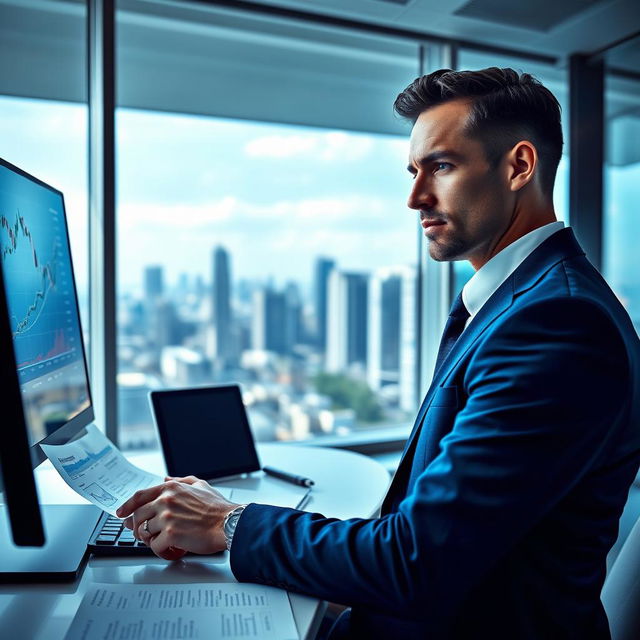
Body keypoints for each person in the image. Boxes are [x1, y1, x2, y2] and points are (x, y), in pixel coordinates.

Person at [118, 68, 640, 639]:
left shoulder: (557, 323)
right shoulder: (517, 305)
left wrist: (230, 523)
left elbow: (415, 562)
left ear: (518, 166)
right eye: (414, 171)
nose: (415, 197)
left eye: (440, 166)